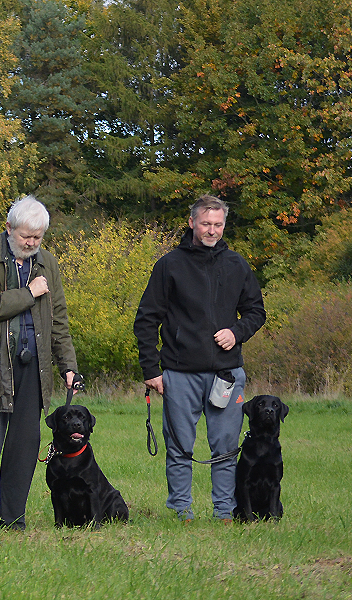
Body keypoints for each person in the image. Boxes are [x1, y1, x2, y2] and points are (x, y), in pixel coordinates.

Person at [134, 194, 265, 523]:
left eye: (218, 224)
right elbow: (146, 319)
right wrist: (151, 370)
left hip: (227, 375)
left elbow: (256, 312)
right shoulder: (169, 265)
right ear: (192, 222)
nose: (212, 230)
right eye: (206, 223)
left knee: (225, 448)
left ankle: (225, 512)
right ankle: (182, 513)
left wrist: (236, 332)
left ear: (224, 224)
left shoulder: (237, 264)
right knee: (179, 447)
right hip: (179, 374)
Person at [0, 195, 79, 532]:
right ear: (8, 228)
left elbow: (58, 321)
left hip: (33, 370)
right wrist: (29, 293)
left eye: (37, 237)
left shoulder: (48, 265)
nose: (31, 243)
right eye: (26, 236)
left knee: (24, 450)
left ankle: (13, 521)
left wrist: (68, 366)